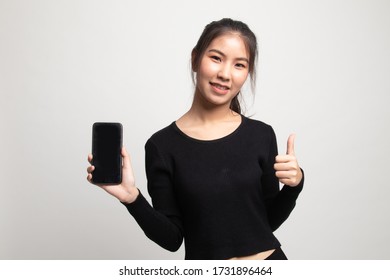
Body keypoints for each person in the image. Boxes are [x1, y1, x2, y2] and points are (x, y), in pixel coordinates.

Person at [87, 18, 304, 260]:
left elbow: (268, 222)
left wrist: (295, 186)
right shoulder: (162, 146)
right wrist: (132, 198)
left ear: (247, 73)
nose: (224, 74)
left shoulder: (261, 135)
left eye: (239, 65)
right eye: (216, 58)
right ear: (195, 59)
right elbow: (172, 239)